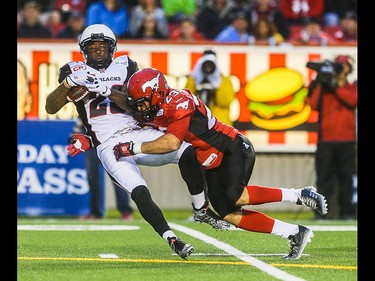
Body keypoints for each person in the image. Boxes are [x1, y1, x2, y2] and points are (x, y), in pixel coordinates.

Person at [45, 24, 228, 260]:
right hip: (108, 144)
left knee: (188, 151)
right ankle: (171, 238)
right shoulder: (72, 70)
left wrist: (106, 90)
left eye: (102, 46)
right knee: (139, 191)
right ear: (84, 50)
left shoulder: (126, 66)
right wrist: (69, 83)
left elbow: (136, 104)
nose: (98, 51)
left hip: (137, 131)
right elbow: (50, 107)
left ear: (112, 48)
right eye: (92, 47)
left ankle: (200, 208)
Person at [113, 67, 329, 260]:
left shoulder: (179, 103)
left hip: (232, 148)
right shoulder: (156, 104)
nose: (140, 108)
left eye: (142, 102)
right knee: (229, 215)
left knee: (236, 195)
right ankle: (294, 232)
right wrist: (98, 91)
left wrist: (133, 148)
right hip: (211, 160)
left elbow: (172, 143)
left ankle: (299, 194)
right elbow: (125, 101)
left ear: (157, 94)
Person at [306, 55, 357, 220]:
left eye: (344, 65)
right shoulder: (325, 88)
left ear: (349, 69)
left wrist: (335, 86)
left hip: (347, 140)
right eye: (338, 65)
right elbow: (312, 105)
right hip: (326, 139)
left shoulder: (352, 87)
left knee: (346, 177)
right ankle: (320, 213)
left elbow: (352, 101)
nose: (341, 68)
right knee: (324, 178)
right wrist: (320, 82)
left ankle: (347, 212)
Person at [71, 119, 133, 220]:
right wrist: (76, 131)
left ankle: (125, 210)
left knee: (117, 174)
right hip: (90, 138)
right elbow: (82, 112)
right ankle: (95, 212)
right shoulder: (87, 104)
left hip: (109, 136)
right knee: (92, 176)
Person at [184, 50, 236, 126]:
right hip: (198, 125)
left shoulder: (224, 80)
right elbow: (186, 101)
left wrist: (217, 84)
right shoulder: (194, 79)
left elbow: (225, 102)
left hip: (220, 126)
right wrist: (194, 79)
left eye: (211, 62)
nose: (208, 66)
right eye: (205, 62)